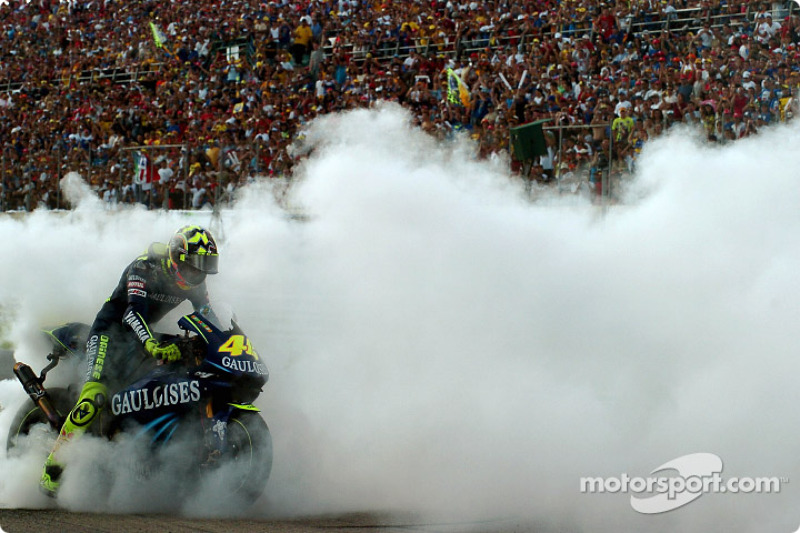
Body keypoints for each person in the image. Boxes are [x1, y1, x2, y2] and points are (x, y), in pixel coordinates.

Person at [40, 225, 220, 496]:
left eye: (204, 268)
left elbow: (208, 316)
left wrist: (222, 342)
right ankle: (52, 471)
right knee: (94, 398)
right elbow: (132, 314)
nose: (198, 273)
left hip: (141, 338)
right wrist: (153, 345)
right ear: (176, 257)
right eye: (194, 266)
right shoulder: (144, 268)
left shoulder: (195, 284)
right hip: (109, 334)